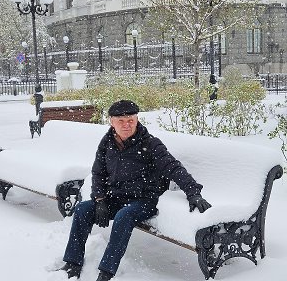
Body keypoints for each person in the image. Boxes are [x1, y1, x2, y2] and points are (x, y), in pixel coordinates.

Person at [60, 100, 212, 280]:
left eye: (130, 120)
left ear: (137, 119)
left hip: (143, 200)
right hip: (115, 197)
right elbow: (98, 172)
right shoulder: (107, 142)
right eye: (121, 121)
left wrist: (193, 193)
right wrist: (99, 200)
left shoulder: (150, 144)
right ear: (111, 122)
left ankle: (106, 272)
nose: (126, 125)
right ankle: (72, 263)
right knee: (82, 209)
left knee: (124, 216)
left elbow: (173, 168)